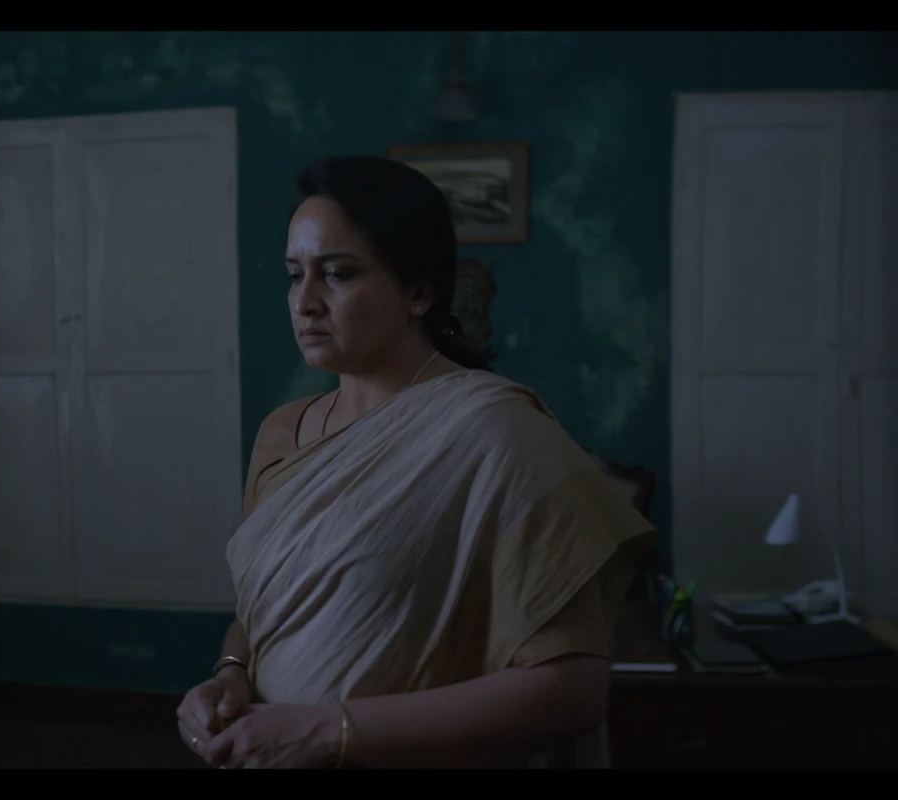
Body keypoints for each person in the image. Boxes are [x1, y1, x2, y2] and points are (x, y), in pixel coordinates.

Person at [173, 156, 655, 769]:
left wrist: (326, 732)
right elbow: (262, 616)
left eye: (337, 274)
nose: (305, 302)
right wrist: (230, 675)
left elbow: (572, 692)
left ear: (419, 293)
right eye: (295, 275)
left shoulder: (496, 432)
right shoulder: (281, 434)